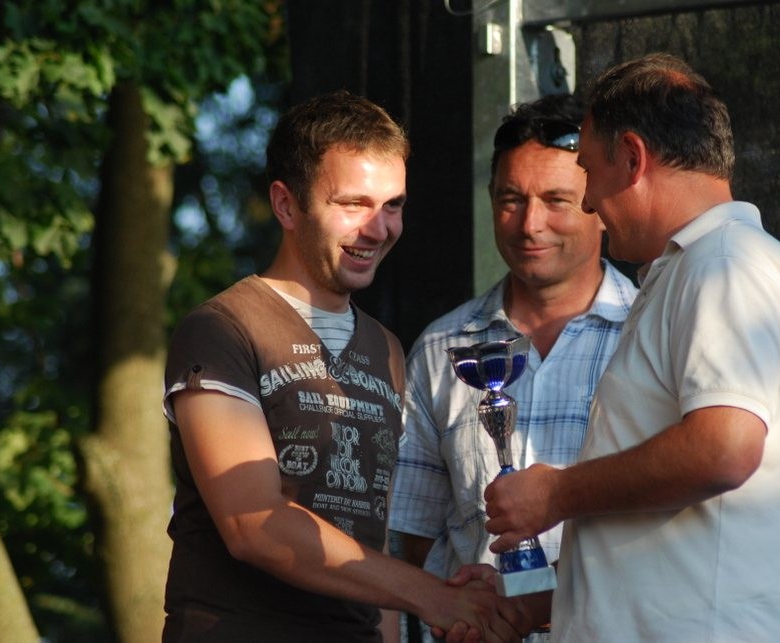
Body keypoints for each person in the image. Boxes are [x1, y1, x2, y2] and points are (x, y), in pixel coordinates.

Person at [481, 53, 780, 641]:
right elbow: (671, 528)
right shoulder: (696, 269)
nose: (589, 202)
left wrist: (556, 493)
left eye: (588, 171)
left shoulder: (725, 264)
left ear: (632, 157)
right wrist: (538, 600)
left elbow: (723, 449)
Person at [161, 90, 526, 643]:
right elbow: (251, 524)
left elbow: (377, 538)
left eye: (393, 206)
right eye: (353, 204)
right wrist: (435, 596)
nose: (378, 229)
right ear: (286, 205)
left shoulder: (387, 349)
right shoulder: (222, 328)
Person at [388, 93, 639, 640]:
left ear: (600, 204)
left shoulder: (649, 335)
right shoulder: (441, 349)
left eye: (556, 200)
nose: (530, 224)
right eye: (511, 199)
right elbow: (410, 537)